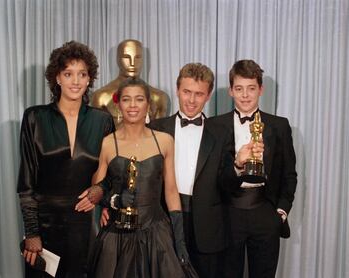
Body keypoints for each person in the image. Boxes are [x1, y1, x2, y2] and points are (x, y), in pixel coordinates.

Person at [17, 40, 115, 277]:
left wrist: (100, 190)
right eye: (68, 73)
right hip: (44, 227)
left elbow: (114, 173)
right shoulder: (35, 117)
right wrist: (32, 233)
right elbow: (26, 184)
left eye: (82, 74)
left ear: (89, 79)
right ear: (57, 78)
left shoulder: (102, 120)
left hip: (85, 227)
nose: (76, 81)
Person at [88, 78, 196, 278]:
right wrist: (112, 201)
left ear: (148, 104)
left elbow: (171, 191)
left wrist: (179, 240)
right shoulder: (108, 143)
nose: (132, 105)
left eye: (139, 99)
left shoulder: (164, 141)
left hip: (157, 233)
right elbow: (97, 189)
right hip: (117, 236)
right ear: (118, 104)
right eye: (127, 99)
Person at [211, 59, 297, 278]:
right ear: (230, 91)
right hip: (228, 213)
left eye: (251, 88)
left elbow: (289, 174)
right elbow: (212, 177)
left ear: (261, 89)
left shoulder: (279, 126)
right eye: (239, 89)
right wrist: (237, 165)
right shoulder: (214, 126)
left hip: (265, 212)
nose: (245, 95)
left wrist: (280, 212)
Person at [148, 63, 233, 277]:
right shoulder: (155, 128)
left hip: (208, 227)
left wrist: (239, 166)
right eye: (186, 92)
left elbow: (227, 183)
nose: (192, 100)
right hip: (164, 221)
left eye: (199, 94)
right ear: (177, 89)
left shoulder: (222, 133)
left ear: (208, 95)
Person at [90, 39, 168, 126]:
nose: (132, 63)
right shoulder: (101, 97)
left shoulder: (159, 98)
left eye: (137, 57)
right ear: (117, 59)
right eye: (126, 57)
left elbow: (160, 135)